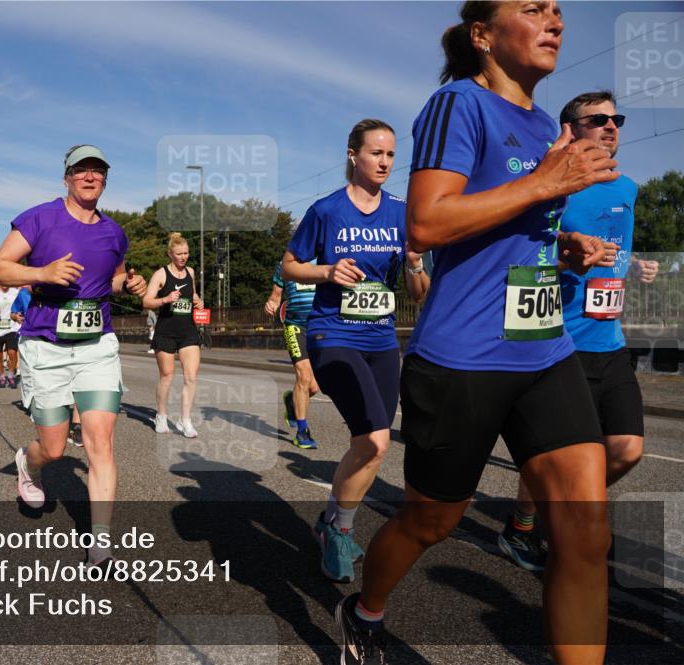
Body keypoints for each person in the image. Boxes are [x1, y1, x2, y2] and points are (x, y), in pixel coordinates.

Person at [334, 4, 617, 664]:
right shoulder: (457, 103)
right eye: (533, 8)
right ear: (484, 36)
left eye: (557, 9)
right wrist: (546, 182)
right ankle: (364, 610)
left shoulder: (545, 123)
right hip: (464, 355)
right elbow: (426, 226)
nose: (556, 20)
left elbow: (518, 224)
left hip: (544, 348)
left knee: (584, 532)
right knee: (432, 520)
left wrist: (563, 242)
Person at [499, 90, 660, 571]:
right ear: (571, 130)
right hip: (558, 342)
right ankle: (526, 526)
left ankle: (557, 511)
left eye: (617, 120)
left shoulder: (627, 187)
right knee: (552, 452)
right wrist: (564, 242)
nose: (611, 127)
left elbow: (614, 250)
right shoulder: (552, 182)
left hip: (609, 341)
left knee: (627, 449)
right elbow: (518, 246)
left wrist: (635, 266)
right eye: (598, 120)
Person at [283, 118, 429, 583]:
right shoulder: (326, 211)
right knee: (376, 439)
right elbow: (289, 266)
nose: (385, 162)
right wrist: (326, 273)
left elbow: (419, 292)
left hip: (382, 341)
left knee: (370, 449)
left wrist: (414, 263)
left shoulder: (403, 213)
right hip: (333, 335)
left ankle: (332, 522)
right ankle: (341, 530)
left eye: (390, 154)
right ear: (353, 155)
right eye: (375, 153)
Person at [0, 143, 146, 566]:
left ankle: (100, 542)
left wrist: (127, 285)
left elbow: (111, 280)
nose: (90, 176)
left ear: (105, 179)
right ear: (67, 178)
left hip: (97, 346)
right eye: (81, 170)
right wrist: (41, 272)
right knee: (54, 449)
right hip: (45, 344)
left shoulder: (114, 232)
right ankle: (28, 461)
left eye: (98, 170)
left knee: (101, 442)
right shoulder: (39, 218)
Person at [143, 233, 205, 438]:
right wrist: (165, 299)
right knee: (167, 376)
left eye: (186, 253)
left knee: (191, 376)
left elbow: (192, 293)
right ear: (170, 254)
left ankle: (185, 420)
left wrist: (198, 301)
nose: (183, 257)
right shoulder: (161, 275)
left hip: (188, 331)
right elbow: (146, 301)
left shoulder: (191, 272)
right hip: (166, 331)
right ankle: (161, 416)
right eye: (179, 253)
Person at [264, 258, 322, 449]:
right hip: (295, 326)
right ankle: (302, 432)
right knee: (304, 376)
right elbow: (276, 295)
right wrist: (271, 304)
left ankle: (291, 401)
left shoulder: (326, 259)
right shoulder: (285, 263)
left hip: (321, 327)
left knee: (314, 388)